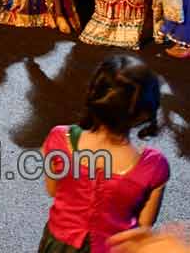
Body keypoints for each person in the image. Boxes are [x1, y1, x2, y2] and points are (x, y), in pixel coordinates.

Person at [38, 55, 169, 253]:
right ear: (143, 114)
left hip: (59, 244)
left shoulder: (59, 138)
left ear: (95, 95)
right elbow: (143, 227)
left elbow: (53, 190)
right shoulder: (154, 165)